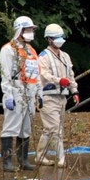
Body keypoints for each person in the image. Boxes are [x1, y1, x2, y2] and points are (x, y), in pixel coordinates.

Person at [0, 16, 44, 172]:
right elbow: (5, 75)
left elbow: (36, 74)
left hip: (30, 91)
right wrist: (8, 95)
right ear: (20, 30)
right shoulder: (8, 49)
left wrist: (40, 93)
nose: (31, 33)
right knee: (11, 126)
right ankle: (7, 162)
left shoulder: (31, 50)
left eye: (32, 30)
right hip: (16, 89)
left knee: (26, 128)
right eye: (29, 30)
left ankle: (23, 160)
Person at [36, 24, 80, 168]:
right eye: (56, 38)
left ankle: (40, 156)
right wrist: (58, 80)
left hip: (62, 97)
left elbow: (71, 76)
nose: (59, 40)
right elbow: (44, 74)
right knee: (55, 129)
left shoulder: (65, 56)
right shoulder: (43, 56)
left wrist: (75, 91)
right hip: (48, 97)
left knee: (50, 129)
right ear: (49, 39)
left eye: (61, 37)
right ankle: (61, 159)